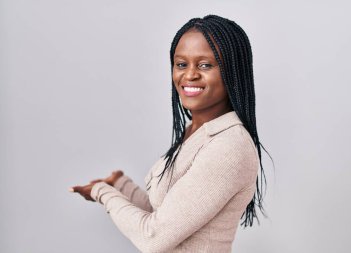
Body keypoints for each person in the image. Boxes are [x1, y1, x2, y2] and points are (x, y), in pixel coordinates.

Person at [70, 14, 269, 253]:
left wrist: (101, 192)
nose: (190, 75)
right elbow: (165, 215)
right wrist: (120, 185)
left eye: (205, 65)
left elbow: (153, 237)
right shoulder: (197, 134)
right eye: (181, 64)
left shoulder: (229, 146)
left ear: (233, 72)